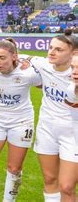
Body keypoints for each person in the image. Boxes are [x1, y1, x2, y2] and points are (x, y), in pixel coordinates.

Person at [0, 38, 41, 202]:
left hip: (22, 123)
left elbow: (51, 82)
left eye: (2, 58)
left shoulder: (28, 73)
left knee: (14, 168)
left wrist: (27, 59)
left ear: (14, 57)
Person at [27, 32, 77, 202]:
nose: (51, 52)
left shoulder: (75, 75)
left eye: (59, 50)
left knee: (67, 187)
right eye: (50, 48)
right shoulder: (43, 65)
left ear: (74, 54)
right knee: (49, 180)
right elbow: (20, 56)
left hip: (73, 134)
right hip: (46, 129)